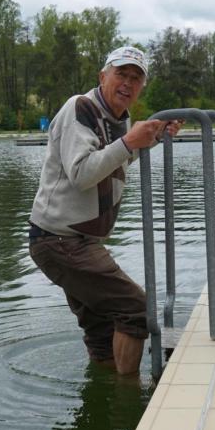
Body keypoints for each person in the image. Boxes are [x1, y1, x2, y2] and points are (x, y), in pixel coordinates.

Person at [28, 46, 182, 375]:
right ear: (103, 77)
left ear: (142, 87)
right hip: (61, 241)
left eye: (136, 78)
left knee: (101, 328)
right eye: (121, 74)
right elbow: (83, 173)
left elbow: (112, 163)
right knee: (137, 310)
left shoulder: (118, 120)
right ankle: (128, 400)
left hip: (76, 241)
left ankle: (105, 391)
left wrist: (149, 138)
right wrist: (130, 142)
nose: (127, 83)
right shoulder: (80, 108)